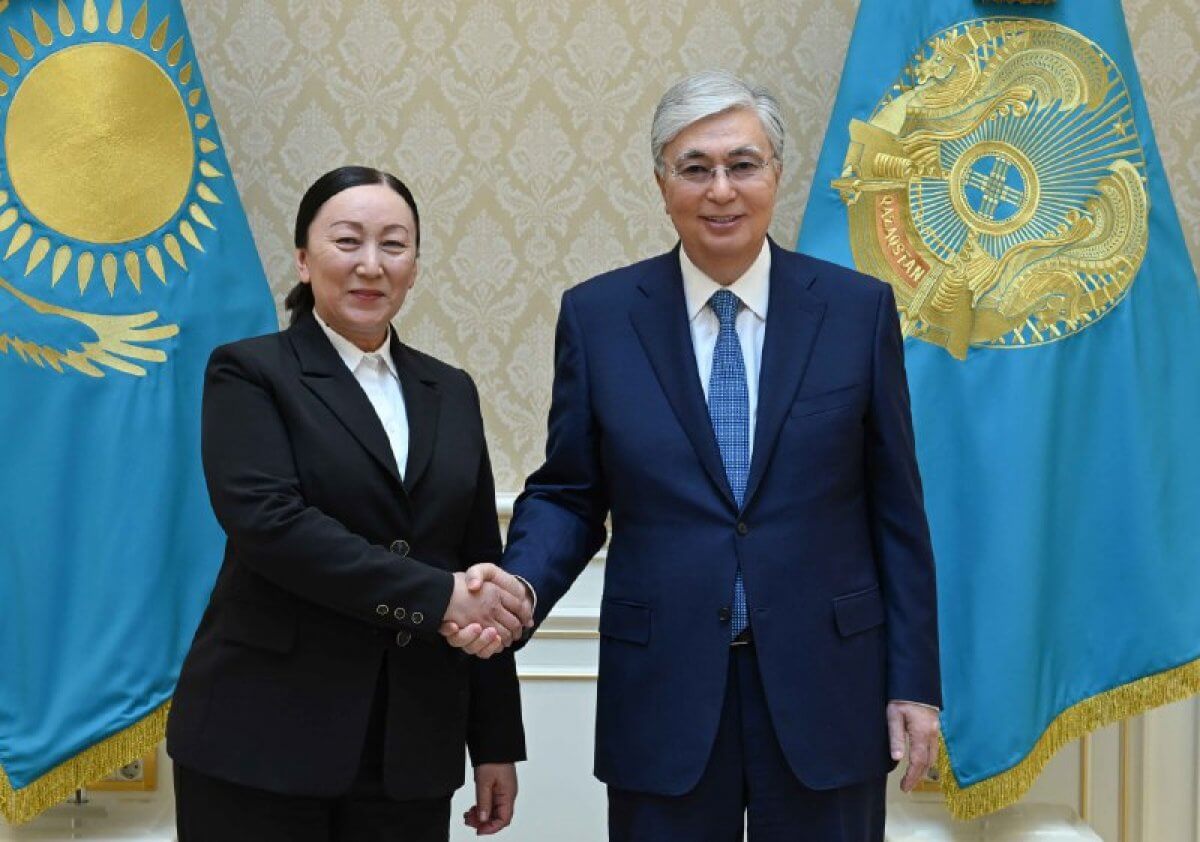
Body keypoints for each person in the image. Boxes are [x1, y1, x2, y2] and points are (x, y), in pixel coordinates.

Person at [444, 71, 942, 841]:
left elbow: (896, 512)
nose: (721, 190)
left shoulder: (856, 311)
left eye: (742, 165)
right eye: (695, 168)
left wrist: (913, 684)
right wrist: (519, 586)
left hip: (826, 689)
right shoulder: (600, 317)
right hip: (664, 690)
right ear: (661, 183)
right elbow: (571, 493)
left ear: (776, 174)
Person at [167, 165, 533, 842]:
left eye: (394, 245)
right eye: (347, 241)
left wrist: (494, 742)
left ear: (414, 267)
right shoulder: (250, 371)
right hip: (262, 740)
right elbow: (271, 527)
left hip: (410, 750)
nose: (371, 265)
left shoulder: (450, 390)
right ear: (305, 261)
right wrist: (440, 597)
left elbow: (478, 557)